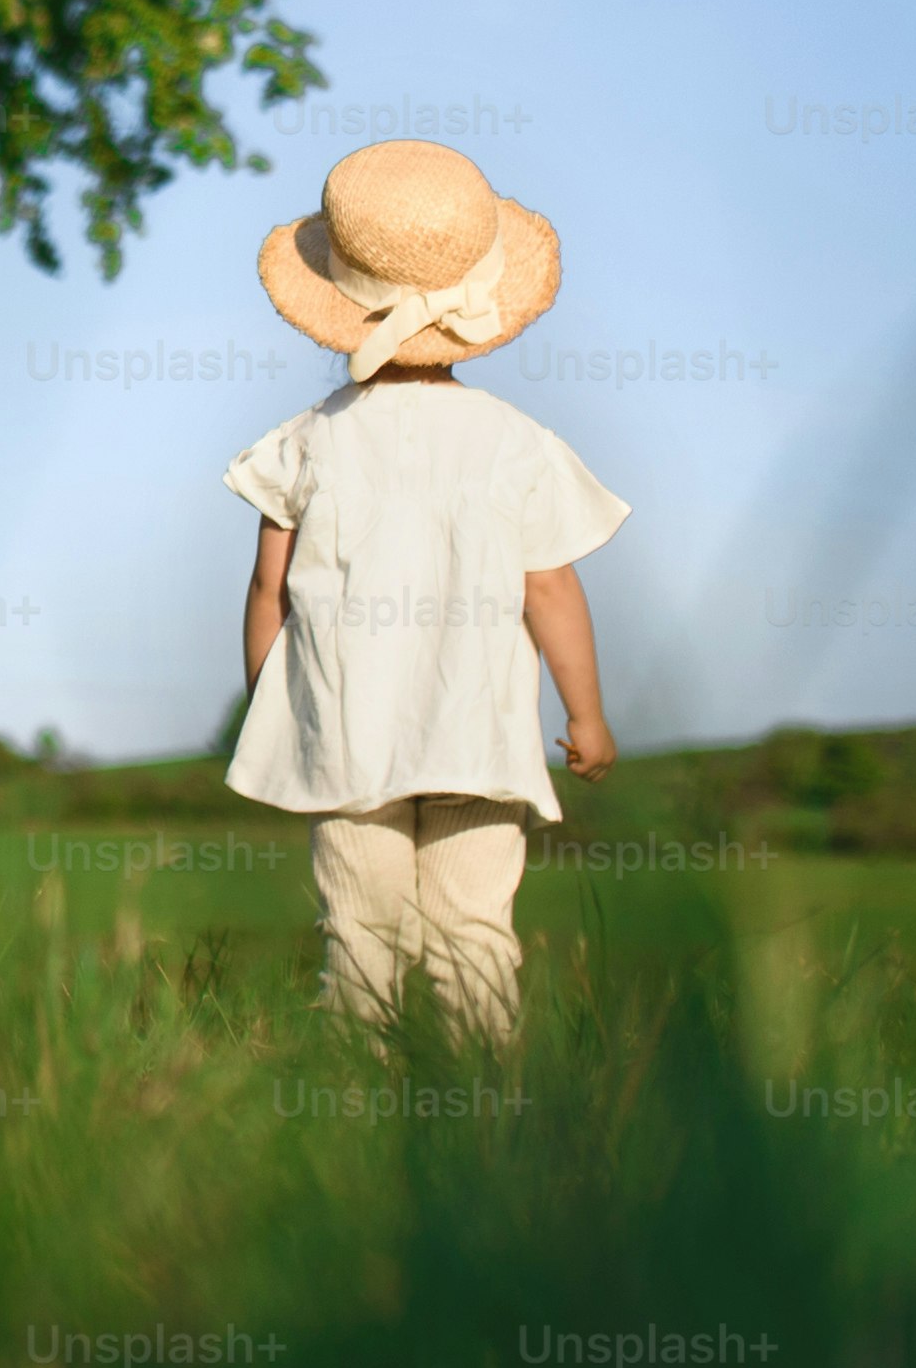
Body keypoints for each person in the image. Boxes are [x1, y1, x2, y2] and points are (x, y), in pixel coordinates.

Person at [222, 139, 625, 1042]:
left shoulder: (303, 443)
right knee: (475, 933)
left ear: (341, 306)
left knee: (360, 935)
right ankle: (486, 1130)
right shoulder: (513, 440)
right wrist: (586, 714)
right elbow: (550, 588)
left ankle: (356, 1112)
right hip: (476, 729)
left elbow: (267, 590)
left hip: (347, 726)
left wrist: (269, 702)